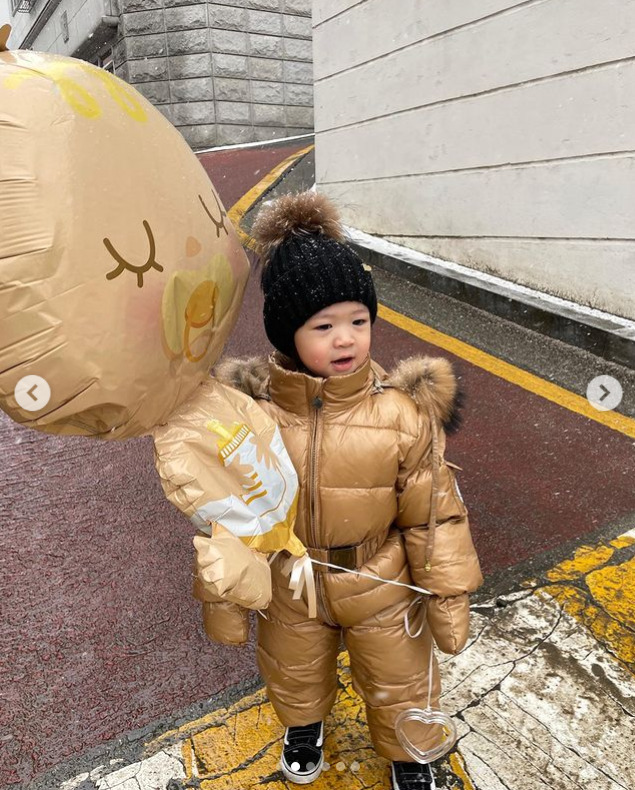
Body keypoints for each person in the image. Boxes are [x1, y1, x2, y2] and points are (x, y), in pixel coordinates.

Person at [195, 191, 483, 790]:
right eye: (323, 326)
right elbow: (230, 515)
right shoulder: (255, 416)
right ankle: (304, 727)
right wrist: (222, 598)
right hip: (292, 580)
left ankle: (411, 755)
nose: (346, 338)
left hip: (381, 577)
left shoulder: (403, 415)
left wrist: (448, 595)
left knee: (402, 680)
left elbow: (434, 516)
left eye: (359, 321)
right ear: (286, 334)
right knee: (293, 671)